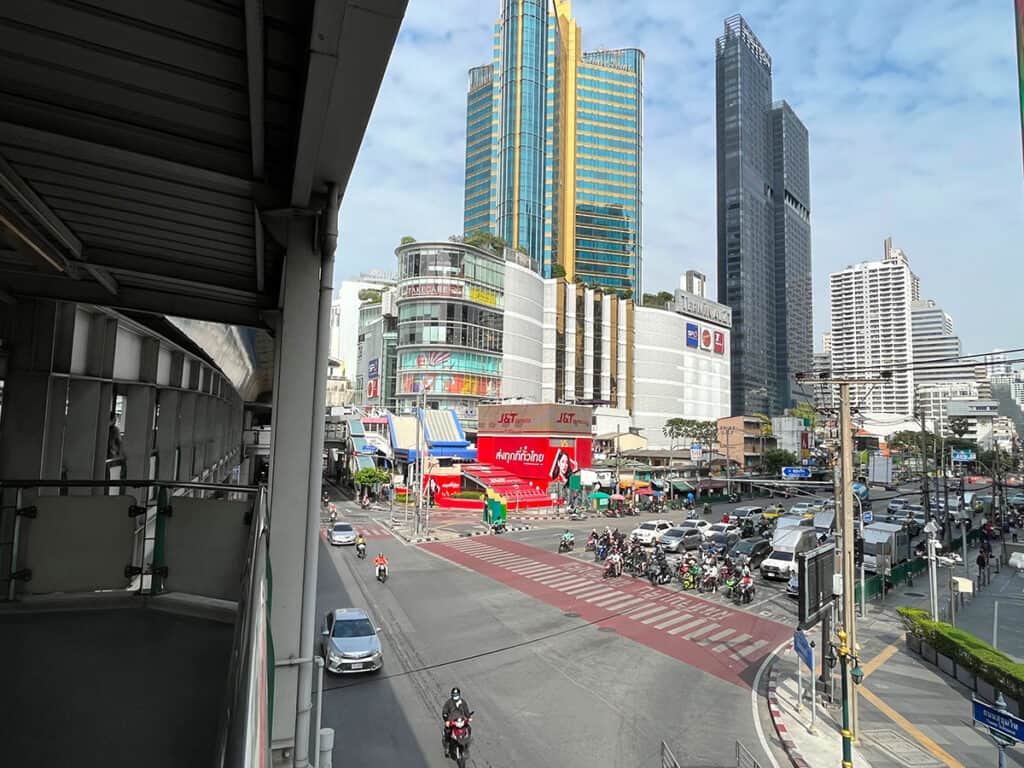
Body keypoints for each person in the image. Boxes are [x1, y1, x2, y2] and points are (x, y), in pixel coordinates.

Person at [441, 687, 472, 758]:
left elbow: (466, 711)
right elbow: (444, 712)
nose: (455, 696)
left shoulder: (463, 702)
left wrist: (469, 717)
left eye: (457, 695)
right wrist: (446, 720)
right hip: (452, 721)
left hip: (461, 720)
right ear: (451, 695)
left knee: (469, 729)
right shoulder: (448, 703)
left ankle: (466, 746)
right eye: (454, 695)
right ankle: (447, 748)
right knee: (447, 732)